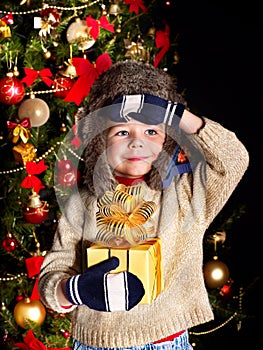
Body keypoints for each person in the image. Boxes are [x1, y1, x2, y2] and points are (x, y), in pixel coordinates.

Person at [38, 60, 249, 350]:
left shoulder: (186, 195)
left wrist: (174, 114)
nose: (138, 143)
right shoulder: (80, 203)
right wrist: (72, 290)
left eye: (152, 131)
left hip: (166, 342)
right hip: (93, 344)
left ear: (166, 139)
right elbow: (53, 273)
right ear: (101, 141)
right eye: (122, 132)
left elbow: (233, 158)